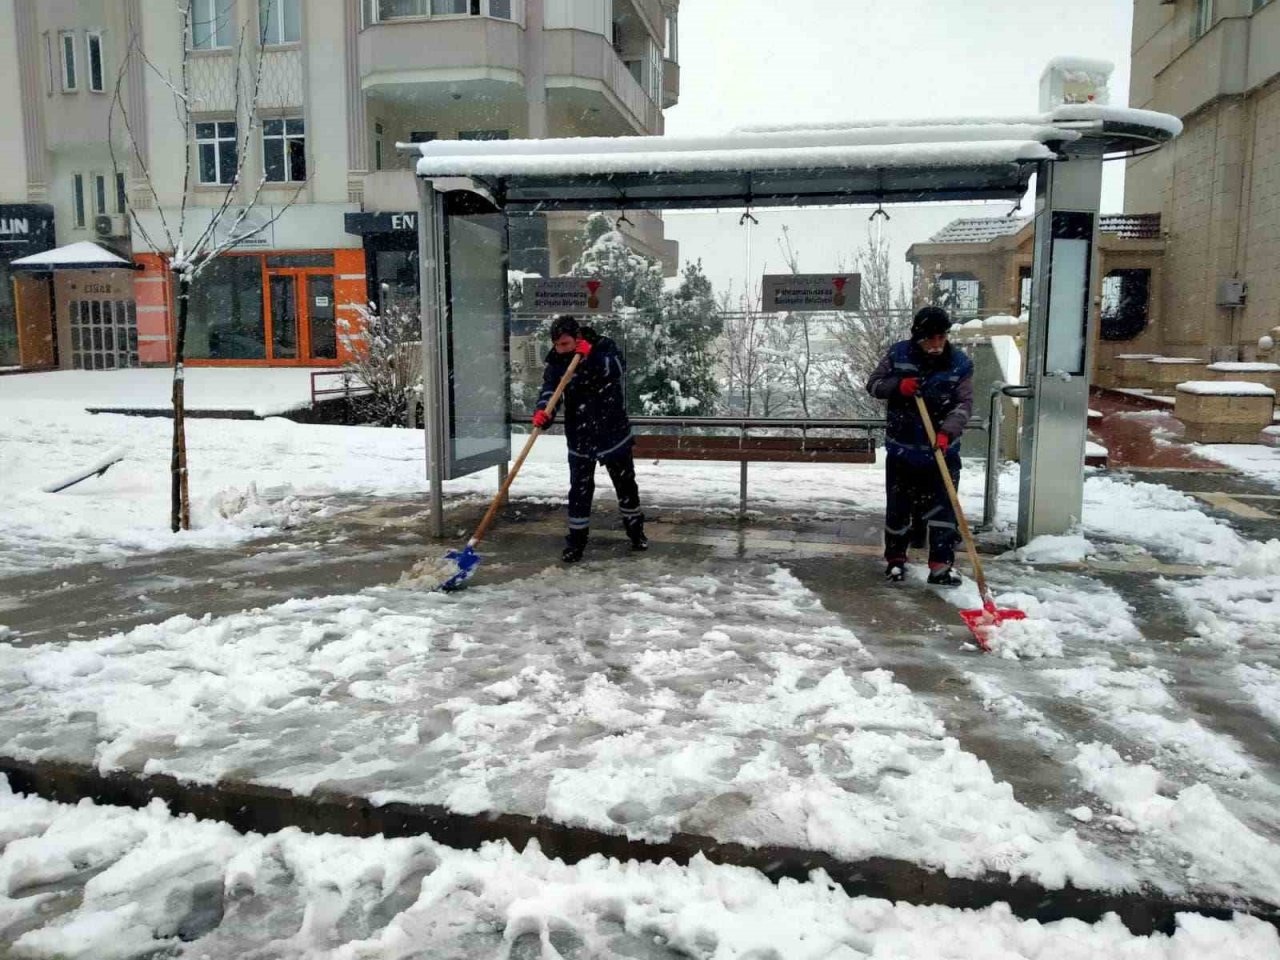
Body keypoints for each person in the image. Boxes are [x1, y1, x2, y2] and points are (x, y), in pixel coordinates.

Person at [865, 306, 973, 586]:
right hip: (903, 448)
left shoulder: (959, 363)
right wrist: (897, 387)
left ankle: (940, 565)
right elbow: (874, 385)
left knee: (943, 509)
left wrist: (948, 431)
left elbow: (964, 403)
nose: (937, 345)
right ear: (918, 337)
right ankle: (896, 561)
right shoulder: (898, 355)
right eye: (930, 339)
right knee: (899, 508)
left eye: (941, 338)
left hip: (942, 451)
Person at [533, 315, 647, 563]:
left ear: (578, 338)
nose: (561, 349)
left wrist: (592, 356)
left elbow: (618, 367)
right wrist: (544, 412)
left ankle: (636, 531)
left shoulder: (603, 346)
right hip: (580, 436)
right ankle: (576, 543)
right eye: (557, 345)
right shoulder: (556, 363)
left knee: (626, 486)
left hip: (612, 432)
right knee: (580, 492)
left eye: (565, 344)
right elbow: (550, 391)